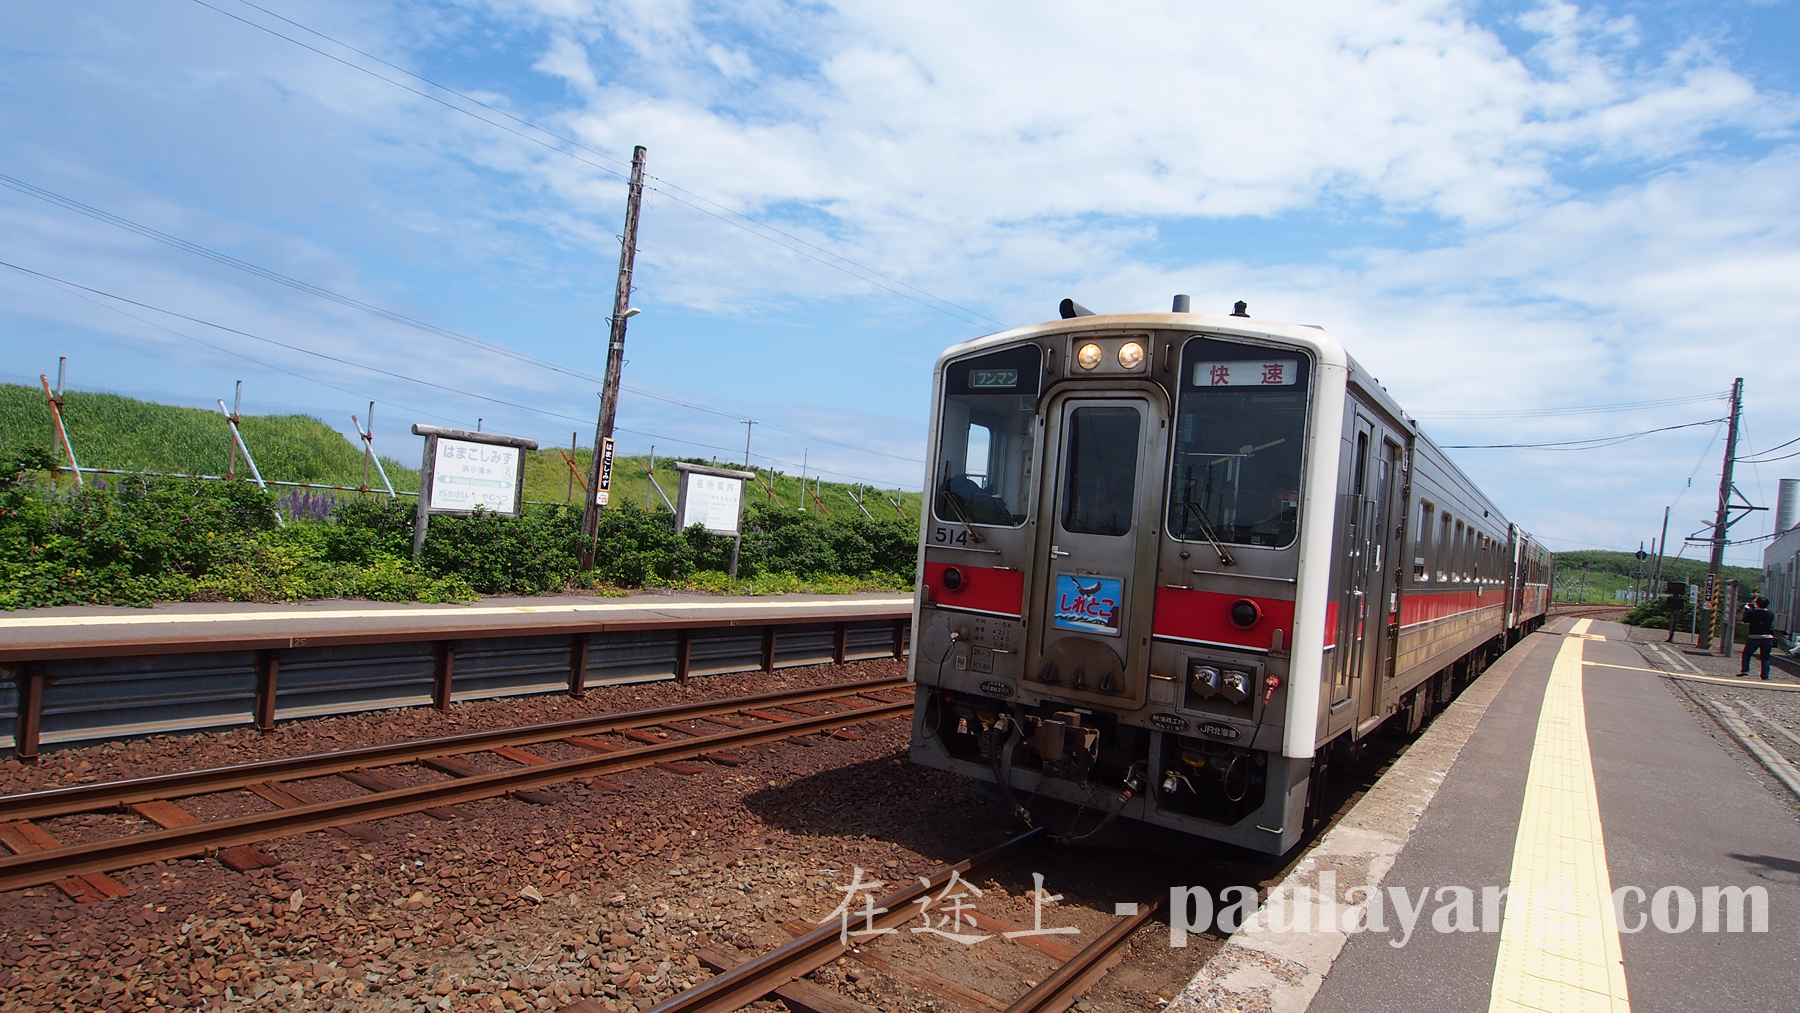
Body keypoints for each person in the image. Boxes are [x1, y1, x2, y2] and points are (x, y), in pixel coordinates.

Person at [1740, 596, 1777, 680]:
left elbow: (1745, 620)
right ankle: (1765, 675)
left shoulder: (1752, 613)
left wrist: (1747, 610)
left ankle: (1745, 670)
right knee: (1765, 657)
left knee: (1746, 654)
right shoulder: (1771, 614)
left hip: (1754, 637)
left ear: (1757, 604)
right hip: (1767, 637)